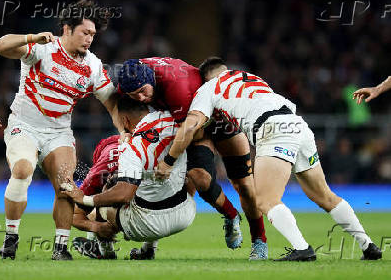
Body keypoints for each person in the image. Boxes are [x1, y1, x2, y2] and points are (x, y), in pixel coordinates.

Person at [156, 57, 382, 261]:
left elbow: (191, 126)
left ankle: (302, 249)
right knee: (324, 196)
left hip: (273, 130)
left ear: (205, 78)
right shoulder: (251, 78)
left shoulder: (208, 88)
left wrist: (169, 160)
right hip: (298, 125)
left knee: (265, 200)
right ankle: (368, 245)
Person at [0, 0, 123, 260]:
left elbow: (112, 104)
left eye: (93, 35)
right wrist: (32, 36)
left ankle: (60, 248)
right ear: (67, 28)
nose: (89, 39)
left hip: (58, 133)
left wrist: (125, 133)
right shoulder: (42, 48)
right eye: (85, 33)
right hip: (24, 125)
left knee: (66, 184)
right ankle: (11, 239)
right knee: (21, 170)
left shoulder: (93, 66)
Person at [117, 58, 267, 259]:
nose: (142, 98)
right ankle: (231, 215)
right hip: (190, 125)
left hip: (217, 123)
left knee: (245, 186)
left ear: (151, 78)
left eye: (143, 91)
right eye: (135, 95)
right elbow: (113, 100)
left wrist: (169, 161)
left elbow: (192, 131)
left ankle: (260, 241)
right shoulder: (131, 77)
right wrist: (124, 130)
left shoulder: (176, 88)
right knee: (199, 177)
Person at [62, 97, 196, 260]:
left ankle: (104, 251)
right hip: (187, 212)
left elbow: (75, 215)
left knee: (103, 199)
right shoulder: (170, 121)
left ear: (124, 120)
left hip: (144, 223)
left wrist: (95, 225)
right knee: (156, 185)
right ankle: (148, 249)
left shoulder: (117, 157)